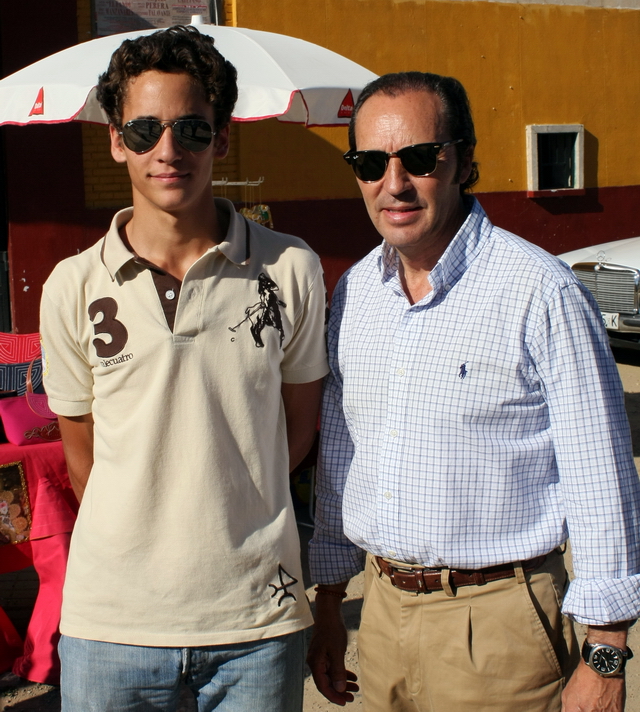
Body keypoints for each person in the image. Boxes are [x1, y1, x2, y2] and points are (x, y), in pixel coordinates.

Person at [307, 71, 640, 712]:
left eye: (421, 158)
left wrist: (605, 653)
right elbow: (343, 456)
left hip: (500, 628)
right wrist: (329, 598)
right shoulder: (357, 294)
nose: (393, 183)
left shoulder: (540, 292)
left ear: (464, 162)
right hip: (379, 615)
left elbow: (601, 478)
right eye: (371, 162)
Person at [39, 25, 328, 712]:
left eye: (192, 130)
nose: (168, 151)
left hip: (257, 621)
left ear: (221, 139)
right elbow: (84, 460)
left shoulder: (291, 268)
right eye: (143, 131)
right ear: (115, 140)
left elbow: (296, 433)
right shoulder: (70, 285)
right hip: (111, 625)